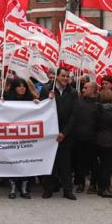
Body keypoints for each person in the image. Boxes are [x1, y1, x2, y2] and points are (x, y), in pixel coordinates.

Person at [39, 67, 77, 200]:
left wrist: (64, 133)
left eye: (67, 76)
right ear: (57, 77)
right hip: (50, 133)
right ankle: (48, 189)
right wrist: (48, 99)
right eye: (63, 76)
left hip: (65, 134)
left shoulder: (73, 92)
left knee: (66, 164)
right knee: (50, 162)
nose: (66, 78)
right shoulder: (46, 90)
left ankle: (68, 190)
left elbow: (74, 115)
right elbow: (40, 109)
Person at [3, 78, 39, 199]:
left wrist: (38, 104)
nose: (22, 88)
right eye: (19, 86)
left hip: (25, 136)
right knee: (13, 161)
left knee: (25, 160)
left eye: (24, 86)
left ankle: (24, 188)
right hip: (12, 136)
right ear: (14, 88)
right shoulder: (7, 99)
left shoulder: (30, 100)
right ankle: (13, 187)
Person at [95, 89, 112, 198]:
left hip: (100, 140)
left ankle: (101, 188)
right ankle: (105, 189)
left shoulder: (99, 109)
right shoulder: (111, 112)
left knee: (103, 166)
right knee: (107, 166)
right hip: (110, 141)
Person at [72, 81, 100, 194]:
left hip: (93, 139)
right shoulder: (79, 102)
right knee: (80, 162)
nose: (83, 90)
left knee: (94, 162)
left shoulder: (99, 104)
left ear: (93, 90)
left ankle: (93, 184)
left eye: (86, 88)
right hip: (79, 137)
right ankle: (81, 183)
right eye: (83, 88)